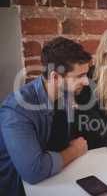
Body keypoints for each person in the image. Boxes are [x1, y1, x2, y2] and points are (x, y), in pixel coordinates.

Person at [0, 37, 91, 196]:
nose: (86, 82)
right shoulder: (16, 110)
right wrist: (75, 150)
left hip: (59, 181)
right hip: (21, 189)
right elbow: (34, 171)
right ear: (55, 77)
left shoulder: (65, 94)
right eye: (79, 76)